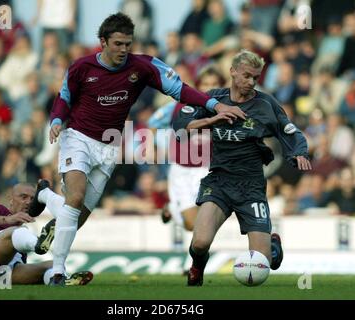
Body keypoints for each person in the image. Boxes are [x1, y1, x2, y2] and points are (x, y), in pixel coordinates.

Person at [43, 12, 246, 286]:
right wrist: (56, 120)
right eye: (117, 44)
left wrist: (215, 105)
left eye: (128, 44)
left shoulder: (143, 66)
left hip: (110, 145)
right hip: (78, 137)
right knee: (76, 196)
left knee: (79, 214)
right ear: (102, 42)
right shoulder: (82, 67)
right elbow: (64, 97)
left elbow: (180, 89)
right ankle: (58, 271)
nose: (124, 50)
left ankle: (45, 196)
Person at [173, 50, 312, 286]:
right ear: (233, 71)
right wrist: (214, 118)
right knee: (199, 243)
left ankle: (273, 248)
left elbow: (289, 130)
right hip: (218, 182)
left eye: (255, 78)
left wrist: (298, 152)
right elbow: (180, 125)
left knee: (262, 262)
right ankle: (197, 268)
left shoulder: (265, 104)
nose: (250, 82)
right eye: (246, 75)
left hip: (251, 187)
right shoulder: (213, 100)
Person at [0, 182, 92, 286]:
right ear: (11, 199)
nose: (28, 202)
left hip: (1, 276)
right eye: (23, 197)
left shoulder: (24, 231)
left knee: (55, 265)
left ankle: (57, 281)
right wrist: (7, 219)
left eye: (32, 199)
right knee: (16, 232)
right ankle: (38, 244)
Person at [148, 65, 225, 231]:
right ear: (198, 86)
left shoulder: (225, 110)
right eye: (205, 83)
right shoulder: (179, 106)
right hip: (181, 171)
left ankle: (173, 209)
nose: (209, 87)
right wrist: (155, 147)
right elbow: (153, 123)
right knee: (192, 225)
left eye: (215, 83)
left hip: (207, 170)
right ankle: (174, 209)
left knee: (204, 224)